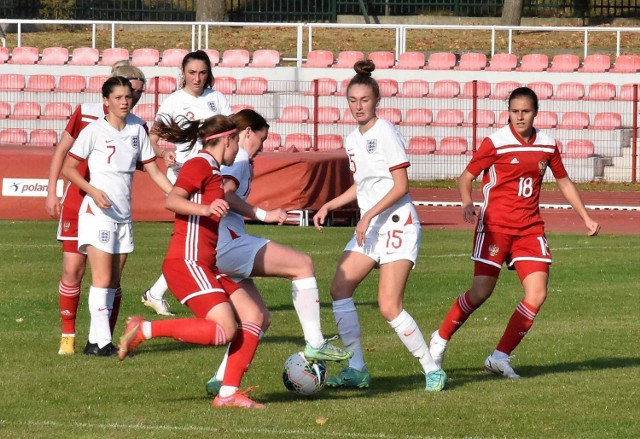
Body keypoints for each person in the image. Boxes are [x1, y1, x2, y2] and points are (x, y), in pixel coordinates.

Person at [428, 86, 601, 379]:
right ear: (508, 112)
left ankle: (500, 356)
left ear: (536, 113)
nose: (519, 117)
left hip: (529, 228)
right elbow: (466, 177)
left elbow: (564, 182)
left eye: (525, 111)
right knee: (481, 292)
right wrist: (468, 202)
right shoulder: (495, 143)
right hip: (495, 228)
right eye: (514, 111)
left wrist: (585, 217)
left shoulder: (547, 144)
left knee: (537, 292)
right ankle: (440, 338)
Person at [312, 60, 446, 392]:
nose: (358, 107)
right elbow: (366, 183)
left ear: (377, 101)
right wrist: (331, 203)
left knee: (389, 305)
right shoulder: (352, 139)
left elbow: (400, 185)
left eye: (365, 100)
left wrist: (368, 215)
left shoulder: (385, 131)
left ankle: (432, 370)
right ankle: (357, 368)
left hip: (398, 223)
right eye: (353, 101)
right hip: (371, 226)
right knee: (339, 289)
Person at [119, 114, 266, 409]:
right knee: (224, 329)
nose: (238, 149)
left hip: (206, 263)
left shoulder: (211, 168)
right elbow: (172, 200)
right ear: (226, 140)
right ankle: (145, 328)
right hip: (187, 262)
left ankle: (227, 394)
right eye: (236, 141)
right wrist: (206, 207)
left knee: (256, 315)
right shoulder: (200, 164)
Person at [204, 109, 352, 397]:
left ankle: (222, 378)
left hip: (218, 245)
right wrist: (263, 213)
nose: (262, 147)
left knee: (258, 317)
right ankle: (316, 342)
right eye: (262, 139)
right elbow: (225, 192)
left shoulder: (230, 159)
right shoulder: (241, 159)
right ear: (247, 133)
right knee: (302, 264)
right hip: (227, 244)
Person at [61, 76, 172, 356]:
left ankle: (93, 343)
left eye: (128, 97)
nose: (125, 101)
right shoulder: (94, 130)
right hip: (97, 212)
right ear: (106, 102)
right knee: (101, 278)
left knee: (112, 280)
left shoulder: (137, 128)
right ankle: (104, 343)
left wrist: (175, 195)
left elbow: (154, 170)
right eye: (118, 97)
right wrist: (92, 190)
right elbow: (69, 168)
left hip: (123, 214)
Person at [46, 61, 148, 355]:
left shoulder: (136, 124)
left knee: (111, 276)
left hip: (113, 206)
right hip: (82, 198)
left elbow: (134, 160)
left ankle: (103, 339)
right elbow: (63, 152)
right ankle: (68, 335)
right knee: (73, 270)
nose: (133, 99)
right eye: (131, 92)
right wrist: (52, 191)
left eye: (137, 94)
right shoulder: (86, 113)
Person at [141, 49, 233, 316]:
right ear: (182, 74)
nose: (197, 78)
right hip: (186, 177)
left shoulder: (217, 99)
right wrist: (163, 153)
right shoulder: (172, 102)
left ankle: (158, 292)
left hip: (211, 174)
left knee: (201, 239)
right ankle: (202, 291)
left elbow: (229, 134)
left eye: (202, 73)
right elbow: (153, 139)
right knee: (199, 238)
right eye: (192, 72)